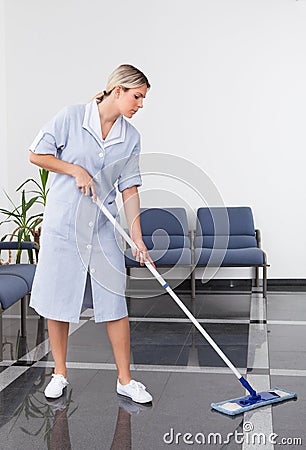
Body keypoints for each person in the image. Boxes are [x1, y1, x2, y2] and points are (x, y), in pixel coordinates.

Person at [28, 64, 154, 404]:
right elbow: (36, 154)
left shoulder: (131, 138)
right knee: (59, 301)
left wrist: (137, 237)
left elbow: (129, 190)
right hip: (63, 225)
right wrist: (75, 170)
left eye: (142, 99)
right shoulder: (71, 117)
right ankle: (59, 373)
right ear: (117, 90)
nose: (139, 105)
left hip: (101, 229)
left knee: (114, 301)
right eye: (137, 96)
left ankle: (125, 380)